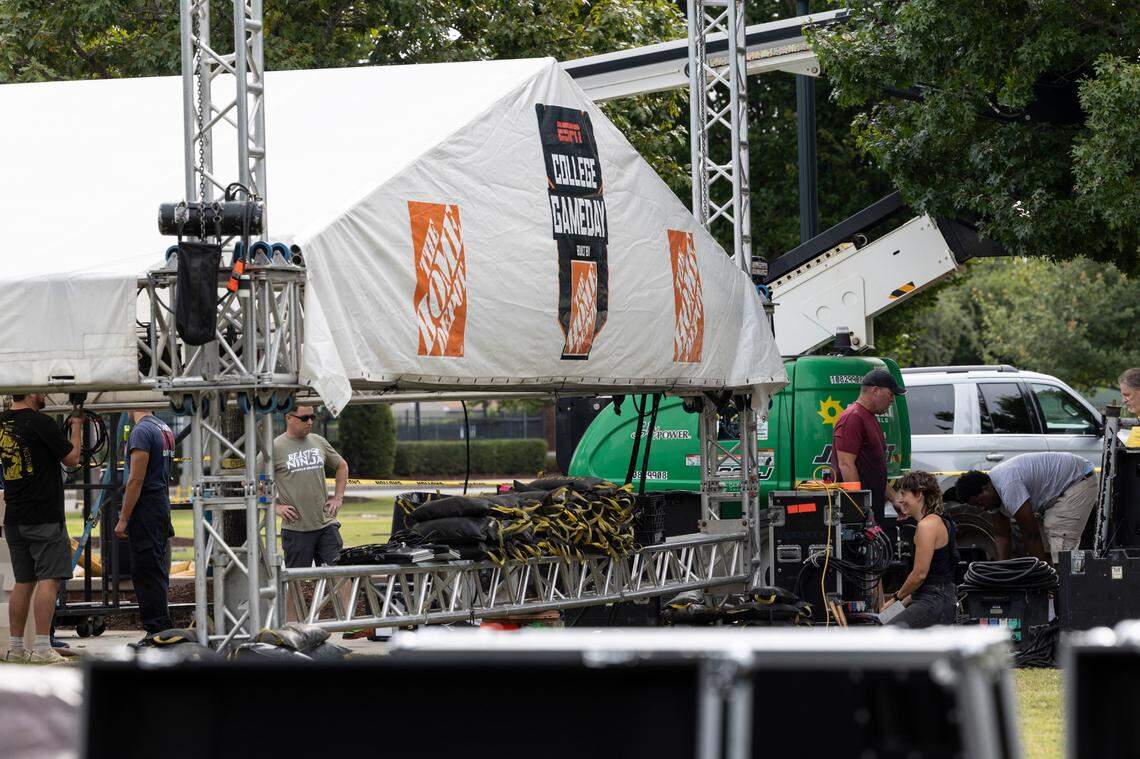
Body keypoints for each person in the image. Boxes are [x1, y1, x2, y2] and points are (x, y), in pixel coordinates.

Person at [0, 393, 82, 664]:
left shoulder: (2, 422)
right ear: (32, 392)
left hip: (15, 518)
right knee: (49, 579)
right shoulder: (40, 422)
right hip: (44, 516)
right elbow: (71, 459)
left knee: (23, 581)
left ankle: (16, 648)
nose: (45, 394)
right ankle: (43, 647)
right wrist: (77, 425)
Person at [954, 451, 1097, 563]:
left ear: (986, 488)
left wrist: (1040, 577)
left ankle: (1073, 586)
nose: (982, 508)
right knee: (1052, 544)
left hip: (1078, 480)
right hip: (1061, 487)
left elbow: (1031, 535)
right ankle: (1066, 582)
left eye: (980, 503)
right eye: (977, 507)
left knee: (1061, 538)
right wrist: (1000, 573)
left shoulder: (1008, 486)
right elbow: (1002, 535)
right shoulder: (992, 495)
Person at [113, 410, 175, 638]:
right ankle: (162, 625)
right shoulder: (163, 428)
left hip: (146, 505)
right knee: (156, 568)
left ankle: (157, 630)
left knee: (145, 570)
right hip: (160, 501)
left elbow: (136, 479)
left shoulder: (141, 432)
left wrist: (123, 518)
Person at [272, 406, 349, 570]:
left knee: (340, 574)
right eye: (304, 418)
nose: (310, 422)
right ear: (288, 418)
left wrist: (338, 497)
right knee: (296, 582)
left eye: (312, 417)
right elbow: (252, 480)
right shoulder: (275, 447)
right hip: (296, 529)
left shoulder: (318, 441)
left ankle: (346, 598)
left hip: (326, 524)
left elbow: (342, 466)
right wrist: (275, 507)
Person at [882, 470, 958, 628]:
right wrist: (893, 609)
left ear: (919, 494)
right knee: (882, 619)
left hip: (934, 601)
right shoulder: (939, 520)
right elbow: (925, 581)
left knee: (888, 632)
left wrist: (895, 598)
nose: (900, 500)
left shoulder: (927, 525)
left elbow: (919, 575)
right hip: (932, 596)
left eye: (904, 494)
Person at [831, 368, 906, 520]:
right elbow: (846, 464)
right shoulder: (853, 417)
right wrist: (860, 508)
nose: (892, 399)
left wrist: (894, 499)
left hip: (872, 508)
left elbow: (873, 472)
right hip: (860, 513)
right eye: (891, 394)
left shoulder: (869, 417)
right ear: (876, 391)